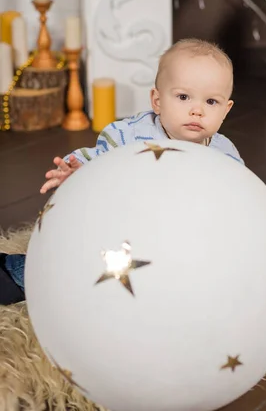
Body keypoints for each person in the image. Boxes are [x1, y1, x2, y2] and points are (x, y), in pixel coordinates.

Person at [0, 39, 243, 303]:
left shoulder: (225, 156)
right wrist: (77, 171)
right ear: (157, 101)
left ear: (226, 110)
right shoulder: (131, 136)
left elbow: (236, 201)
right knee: (76, 267)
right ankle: (21, 275)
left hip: (175, 240)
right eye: (183, 97)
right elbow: (99, 159)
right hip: (119, 230)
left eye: (211, 101)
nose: (197, 110)